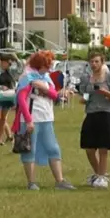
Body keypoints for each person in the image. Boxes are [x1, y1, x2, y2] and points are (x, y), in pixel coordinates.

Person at [12, 51, 76, 190]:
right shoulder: (27, 77)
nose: (50, 68)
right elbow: (21, 100)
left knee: (53, 148)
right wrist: (29, 120)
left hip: (46, 117)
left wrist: (43, 87)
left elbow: (54, 95)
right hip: (31, 119)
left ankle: (60, 181)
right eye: (48, 65)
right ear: (40, 65)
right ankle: (31, 182)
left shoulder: (45, 77)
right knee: (30, 150)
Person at [79, 53, 110, 188]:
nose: (94, 64)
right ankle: (99, 173)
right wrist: (84, 99)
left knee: (103, 147)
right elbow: (85, 94)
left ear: (102, 62)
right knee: (89, 147)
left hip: (107, 113)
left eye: (97, 61)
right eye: (91, 62)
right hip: (91, 113)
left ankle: (102, 176)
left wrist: (106, 93)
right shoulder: (87, 78)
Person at [0, 53, 24, 145]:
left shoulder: (10, 71)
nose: (9, 65)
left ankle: (0, 138)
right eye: (8, 63)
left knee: (3, 119)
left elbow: (20, 70)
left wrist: (16, 59)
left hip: (7, 96)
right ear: (3, 62)